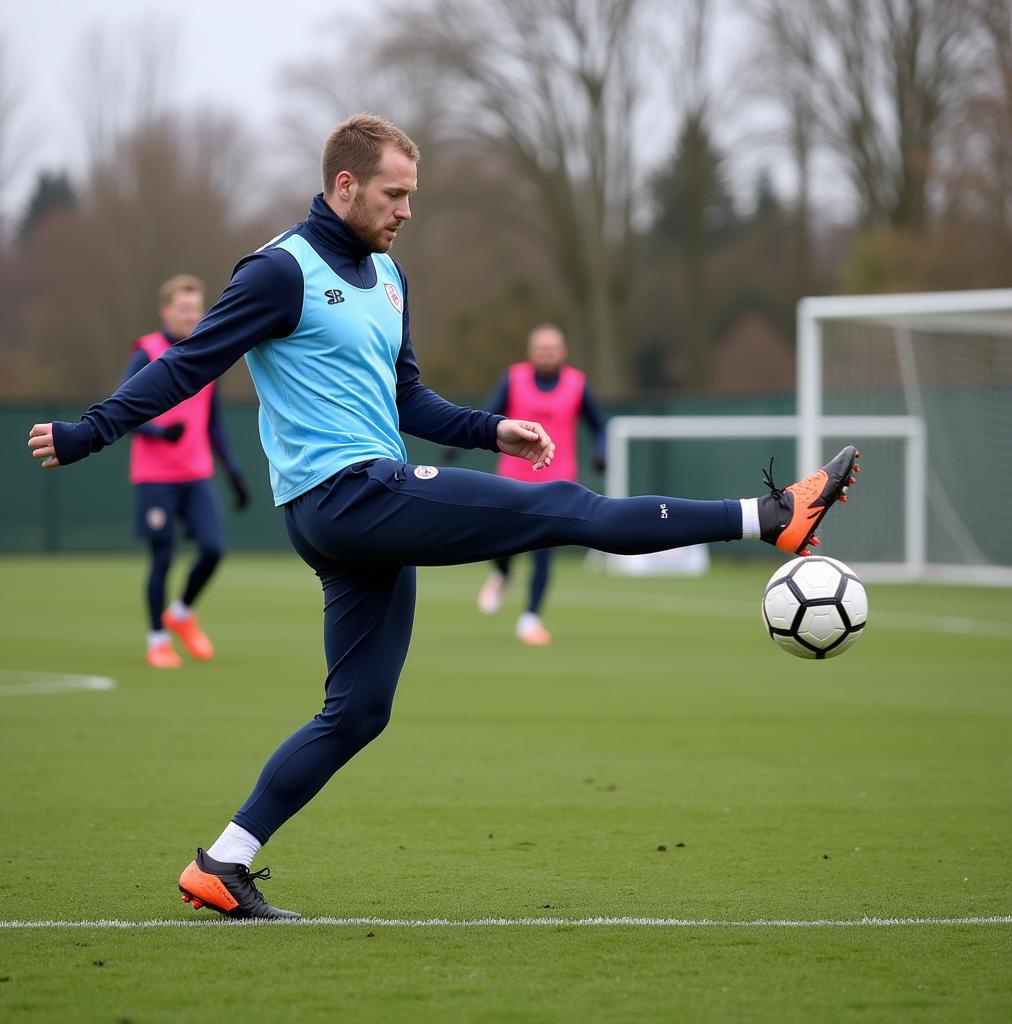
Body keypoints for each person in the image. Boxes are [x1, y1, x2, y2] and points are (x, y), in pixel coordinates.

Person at [27, 114, 860, 920]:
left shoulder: (390, 277)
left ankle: (223, 863)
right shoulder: (278, 271)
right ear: (345, 185)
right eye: (393, 194)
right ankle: (769, 515)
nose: (406, 211)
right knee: (565, 509)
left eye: (412, 194)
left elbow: (404, 397)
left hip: (356, 504)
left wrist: (489, 428)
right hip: (346, 495)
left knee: (357, 712)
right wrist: (87, 432)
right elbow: (186, 366)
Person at [123, 275, 250, 669]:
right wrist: (160, 431)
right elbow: (122, 409)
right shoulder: (147, 351)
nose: (190, 316)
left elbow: (213, 423)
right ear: (166, 310)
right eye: (183, 309)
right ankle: (157, 640)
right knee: (162, 557)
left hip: (196, 473)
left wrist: (233, 472)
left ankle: (179, 614)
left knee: (213, 549)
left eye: (196, 309)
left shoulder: (207, 353)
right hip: (155, 475)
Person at [475, 324, 607, 645]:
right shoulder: (514, 379)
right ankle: (504, 573)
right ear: (530, 351)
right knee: (497, 539)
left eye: (552, 348)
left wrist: (601, 452)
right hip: (513, 478)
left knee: (544, 550)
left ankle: (530, 619)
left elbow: (599, 426)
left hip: (556, 481)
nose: (546, 353)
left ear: (563, 352)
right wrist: (457, 442)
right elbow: (486, 416)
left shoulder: (577, 384)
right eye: (540, 348)